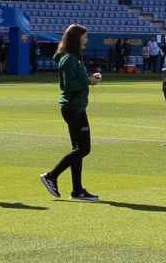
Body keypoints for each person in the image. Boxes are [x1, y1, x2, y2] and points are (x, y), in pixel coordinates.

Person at [40, 23, 102, 202]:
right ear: (76, 38)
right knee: (83, 148)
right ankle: (51, 175)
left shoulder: (74, 58)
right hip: (73, 107)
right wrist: (88, 81)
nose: (86, 40)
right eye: (84, 37)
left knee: (77, 149)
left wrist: (89, 78)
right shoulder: (69, 59)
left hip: (76, 106)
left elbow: (76, 80)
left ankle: (77, 190)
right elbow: (68, 86)